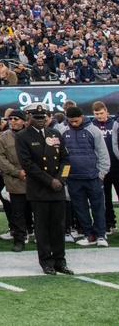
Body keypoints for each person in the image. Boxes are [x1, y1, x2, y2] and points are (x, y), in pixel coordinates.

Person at [14, 103, 73, 275]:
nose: (41, 120)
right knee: (42, 228)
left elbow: (66, 159)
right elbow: (27, 164)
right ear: (28, 118)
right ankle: (46, 261)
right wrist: (49, 181)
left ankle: (60, 260)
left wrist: (60, 179)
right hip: (39, 189)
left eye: (43, 117)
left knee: (58, 227)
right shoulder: (23, 136)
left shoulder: (55, 134)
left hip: (57, 188)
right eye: (36, 117)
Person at [60, 105, 109, 247]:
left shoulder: (93, 130)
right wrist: (65, 177)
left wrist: (101, 174)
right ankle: (89, 234)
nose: (74, 123)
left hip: (93, 177)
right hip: (73, 178)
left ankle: (101, 235)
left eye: (76, 121)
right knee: (80, 209)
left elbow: (102, 153)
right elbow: (62, 157)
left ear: (82, 117)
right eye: (71, 121)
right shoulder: (63, 131)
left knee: (98, 207)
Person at [0, 109, 30, 252]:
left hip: (34, 179)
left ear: (24, 121)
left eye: (16, 118)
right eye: (11, 119)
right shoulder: (2, 137)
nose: (13, 121)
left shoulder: (32, 134)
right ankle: (19, 240)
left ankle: (41, 238)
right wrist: (17, 172)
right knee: (17, 213)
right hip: (14, 180)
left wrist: (32, 171)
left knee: (38, 211)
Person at [89, 102, 118, 234]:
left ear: (106, 111)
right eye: (96, 114)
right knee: (104, 198)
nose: (99, 116)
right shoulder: (92, 125)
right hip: (101, 167)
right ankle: (109, 222)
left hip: (116, 166)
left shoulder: (115, 124)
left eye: (101, 113)